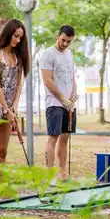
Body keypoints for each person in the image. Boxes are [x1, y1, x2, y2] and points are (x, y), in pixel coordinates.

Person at [0, 19, 30, 167]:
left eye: (20, 37)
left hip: (8, 108)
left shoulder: (18, 58)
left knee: (2, 151)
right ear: (7, 33)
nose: (17, 40)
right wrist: (6, 108)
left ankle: (3, 188)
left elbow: (18, 84)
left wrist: (14, 107)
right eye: (15, 35)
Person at [40, 25, 77, 184]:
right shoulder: (48, 54)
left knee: (65, 138)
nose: (65, 44)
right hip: (54, 103)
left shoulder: (69, 54)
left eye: (68, 41)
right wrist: (62, 98)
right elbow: (47, 80)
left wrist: (74, 94)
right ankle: (49, 175)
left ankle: (63, 173)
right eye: (63, 40)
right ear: (57, 36)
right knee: (53, 138)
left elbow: (72, 76)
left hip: (69, 104)